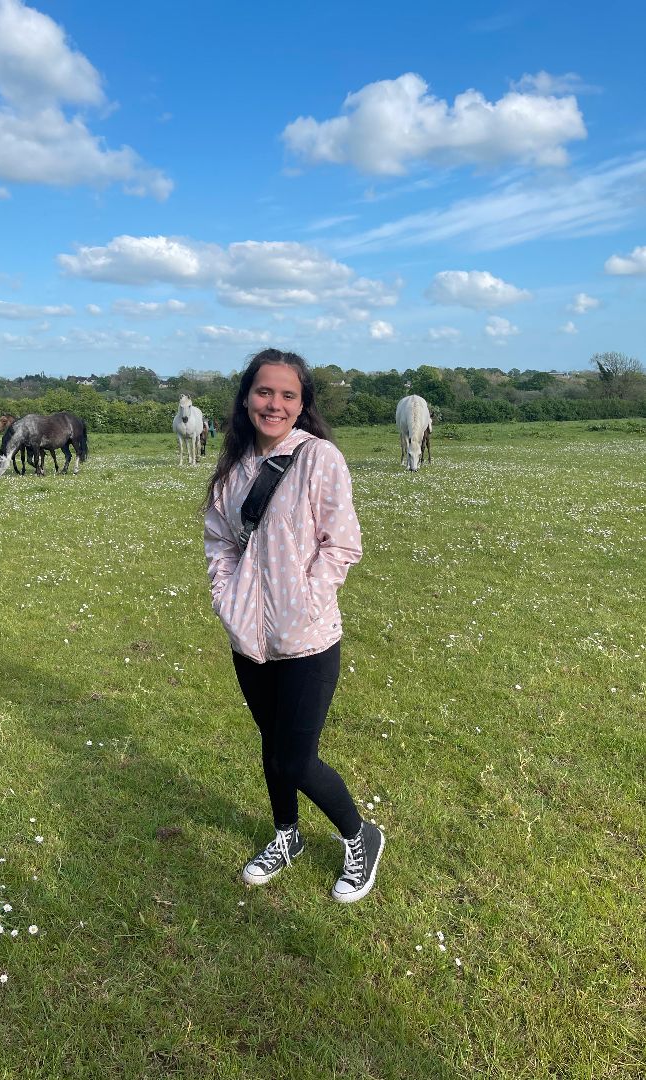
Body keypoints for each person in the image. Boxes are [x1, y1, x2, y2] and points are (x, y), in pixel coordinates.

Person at [203, 348, 385, 903]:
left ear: (302, 404)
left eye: (287, 394)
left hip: (307, 638)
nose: (274, 403)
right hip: (249, 637)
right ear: (245, 398)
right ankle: (287, 835)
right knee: (271, 744)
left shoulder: (319, 458)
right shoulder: (233, 471)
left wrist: (307, 599)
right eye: (264, 392)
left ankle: (361, 835)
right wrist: (227, 596)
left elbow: (342, 543)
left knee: (296, 758)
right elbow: (220, 541)